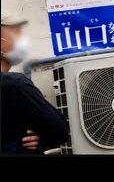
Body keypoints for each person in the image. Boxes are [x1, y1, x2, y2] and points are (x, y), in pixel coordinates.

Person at [1, 11, 67, 154]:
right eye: (16, 32)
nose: (22, 39)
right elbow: (60, 129)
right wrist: (43, 138)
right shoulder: (13, 84)